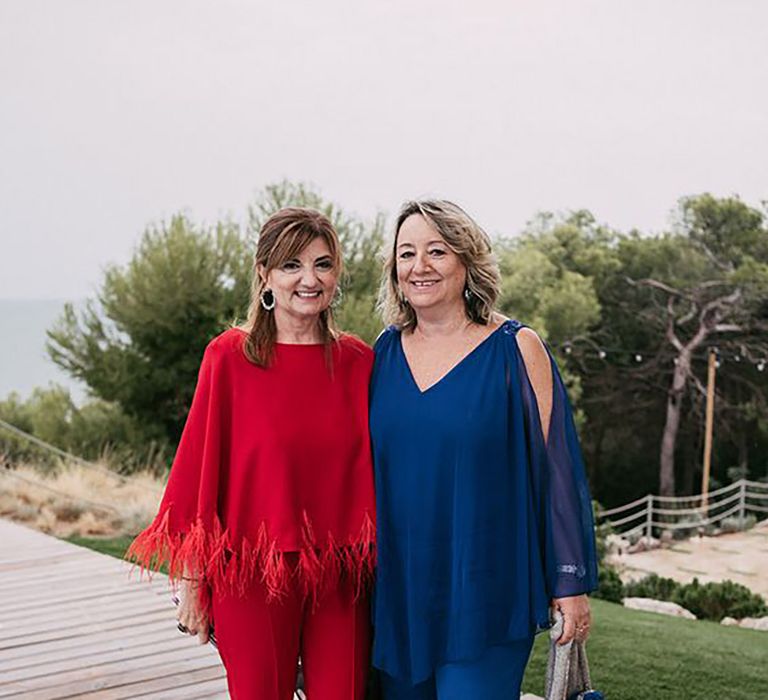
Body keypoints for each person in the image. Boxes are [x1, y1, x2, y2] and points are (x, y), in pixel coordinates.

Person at [127, 207, 376, 700]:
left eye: (323, 264)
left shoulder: (359, 361)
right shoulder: (228, 358)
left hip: (342, 576)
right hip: (250, 574)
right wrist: (194, 586)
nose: (310, 279)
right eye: (292, 265)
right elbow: (199, 473)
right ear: (264, 274)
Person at [369, 200, 598, 699]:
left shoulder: (517, 349)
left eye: (437, 251)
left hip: (487, 587)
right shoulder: (381, 355)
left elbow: (556, 475)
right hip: (400, 592)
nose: (419, 266)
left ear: (467, 261)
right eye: (406, 254)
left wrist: (569, 582)